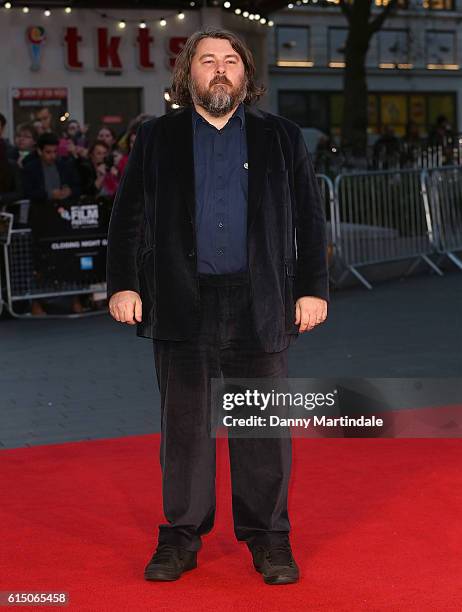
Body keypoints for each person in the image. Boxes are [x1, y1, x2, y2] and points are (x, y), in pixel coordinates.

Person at [106, 27, 329, 585]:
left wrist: (313, 289)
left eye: (231, 60)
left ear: (247, 74)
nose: (221, 69)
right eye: (208, 60)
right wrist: (123, 285)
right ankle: (180, 537)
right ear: (190, 74)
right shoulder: (157, 137)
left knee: (260, 429)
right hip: (182, 303)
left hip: (261, 303)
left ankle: (269, 539)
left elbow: (308, 216)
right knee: (184, 430)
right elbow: (127, 217)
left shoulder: (281, 137)